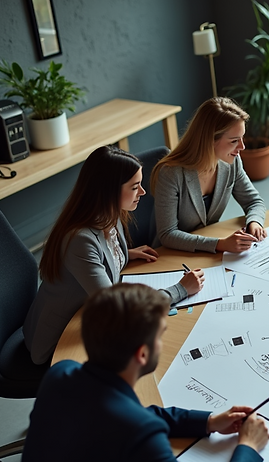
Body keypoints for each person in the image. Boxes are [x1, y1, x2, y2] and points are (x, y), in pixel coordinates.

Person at [14, 283, 269, 462]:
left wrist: (207, 422)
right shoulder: (138, 434)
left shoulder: (61, 375)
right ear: (143, 353)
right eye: (161, 335)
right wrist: (248, 447)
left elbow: (124, 416)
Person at [24, 146, 204, 365]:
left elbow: (97, 259)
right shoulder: (80, 240)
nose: (143, 193)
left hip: (88, 316)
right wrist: (181, 289)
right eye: (135, 186)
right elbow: (118, 311)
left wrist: (123, 254)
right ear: (109, 191)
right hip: (61, 341)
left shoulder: (109, 214)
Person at [153, 96, 267, 253]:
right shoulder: (171, 174)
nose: (242, 147)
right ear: (210, 140)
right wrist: (220, 244)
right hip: (172, 254)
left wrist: (254, 222)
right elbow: (167, 234)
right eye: (234, 141)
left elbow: (254, 201)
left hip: (205, 251)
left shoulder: (231, 162)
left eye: (242, 138)